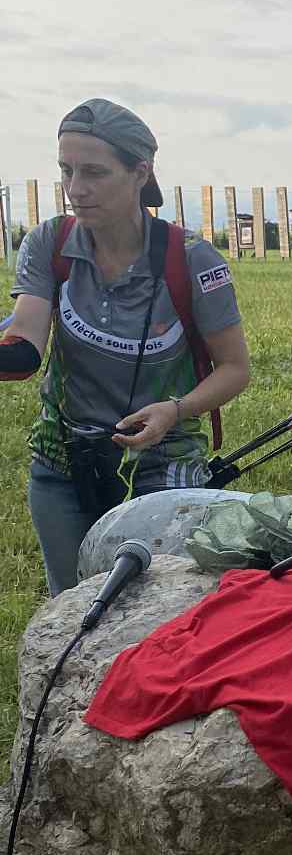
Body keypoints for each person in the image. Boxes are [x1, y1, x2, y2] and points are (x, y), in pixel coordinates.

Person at [1, 99, 252, 594]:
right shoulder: (49, 243)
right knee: (72, 609)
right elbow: (25, 347)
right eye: (66, 170)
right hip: (62, 465)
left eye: (94, 172)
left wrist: (174, 410)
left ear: (140, 173)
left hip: (163, 465)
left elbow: (234, 368)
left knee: (162, 610)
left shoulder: (192, 259)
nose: (76, 188)